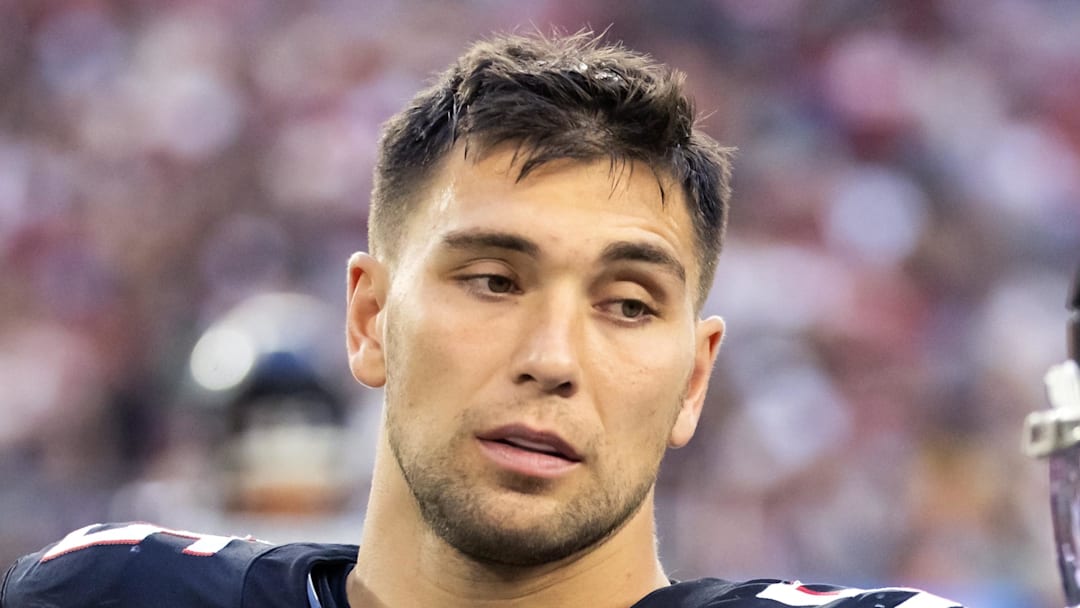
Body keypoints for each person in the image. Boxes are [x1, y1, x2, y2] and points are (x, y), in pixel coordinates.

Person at [1, 31, 963, 608]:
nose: (553, 359)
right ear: (371, 318)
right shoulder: (109, 594)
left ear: (695, 378)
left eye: (628, 304)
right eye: (495, 282)